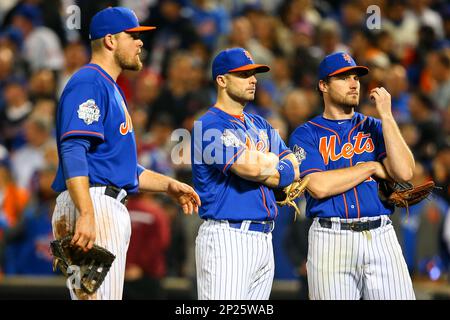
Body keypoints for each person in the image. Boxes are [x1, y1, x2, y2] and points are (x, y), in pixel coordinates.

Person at [51, 7, 200, 300]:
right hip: (94, 202)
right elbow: (73, 148)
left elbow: (121, 167)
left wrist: (167, 185)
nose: (140, 42)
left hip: (103, 201)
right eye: (132, 35)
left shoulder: (110, 88)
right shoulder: (89, 82)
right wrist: (87, 212)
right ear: (109, 41)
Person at [289, 52, 416, 300]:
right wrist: (370, 167)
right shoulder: (306, 134)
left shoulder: (375, 126)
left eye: (356, 77)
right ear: (323, 85)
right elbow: (319, 186)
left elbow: (404, 172)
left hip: (381, 235)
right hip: (331, 236)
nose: (353, 83)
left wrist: (387, 117)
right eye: (343, 78)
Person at [191, 47, 300, 300]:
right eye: (243, 74)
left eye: (254, 74)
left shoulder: (259, 123)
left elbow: (294, 165)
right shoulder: (208, 125)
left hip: (264, 238)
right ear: (222, 80)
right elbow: (249, 168)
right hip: (227, 237)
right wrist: (270, 163)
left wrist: (268, 165)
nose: (253, 80)